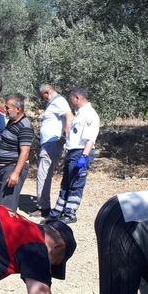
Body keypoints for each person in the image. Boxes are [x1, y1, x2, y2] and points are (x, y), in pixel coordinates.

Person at [49, 88, 100, 224]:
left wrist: (84, 156)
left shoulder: (90, 114)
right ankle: (58, 211)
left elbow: (90, 139)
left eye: (71, 99)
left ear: (77, 98)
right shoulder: (79, 114)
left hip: (80, 152)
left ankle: (70, 213)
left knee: (76, 184)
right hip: (72, 152)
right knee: (66, 183)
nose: (70, 103)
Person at [34, 85, 73, 217]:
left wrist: (64, 137)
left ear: (47, 92)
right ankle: (44, 204)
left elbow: (69, 116)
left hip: (52, 144)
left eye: (42, 96)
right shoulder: (53, 103)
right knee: (44, 174)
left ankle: (43, 207)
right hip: (49, 144)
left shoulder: (59, 101)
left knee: (43, 174)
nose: (42, 99)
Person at [0, 94, 34, 212]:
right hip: (3, 168)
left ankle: (7, 230)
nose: (5, 110)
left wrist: (16, 173)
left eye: (7, 108)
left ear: (18, 109)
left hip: (12, 168)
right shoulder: (11, 121)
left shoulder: (25, 126)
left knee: (6, 208)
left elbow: (25, 152)